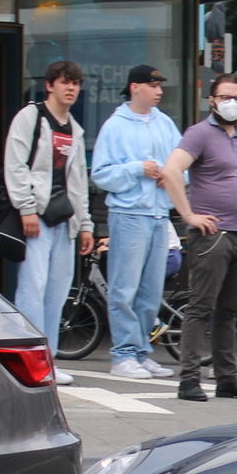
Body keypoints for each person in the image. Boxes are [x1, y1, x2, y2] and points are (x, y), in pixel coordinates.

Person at [161, 74, 237, 403]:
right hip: (212, 236)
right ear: (212, 100)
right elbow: (170, 171)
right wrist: (189, 215)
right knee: (201, 307)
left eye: (235, 97)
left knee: (228, 310)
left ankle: (227, 378)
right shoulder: (200, 134)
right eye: (223, 97)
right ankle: (189, 379)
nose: (230, 102)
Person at [6, 60, 97, 384]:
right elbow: (15, 165)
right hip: (38, 215)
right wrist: (25, 208)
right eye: (64, 82)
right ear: (49, 85)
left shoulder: (74, 127)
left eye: (75, 83)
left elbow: (78, 183)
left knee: (57, 291)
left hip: (63, 219)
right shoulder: (31, 117)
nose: (71, 88)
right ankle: (28, 360)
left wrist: (85, 224)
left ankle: (49, 360)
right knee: (33, 287)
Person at [91, 65, 181, 379]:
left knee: (150, 290)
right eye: (152, 84)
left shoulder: (166, 124)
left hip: (158, 214)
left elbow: (184, 166)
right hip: (129, 215)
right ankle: (123, 354)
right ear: (134, 87)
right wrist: (136, 169)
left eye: (160, 85)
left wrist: (170, 177)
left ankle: (142, 352)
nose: (158, 90)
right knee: (124, 288)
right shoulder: (115, 126)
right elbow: (101, 174)